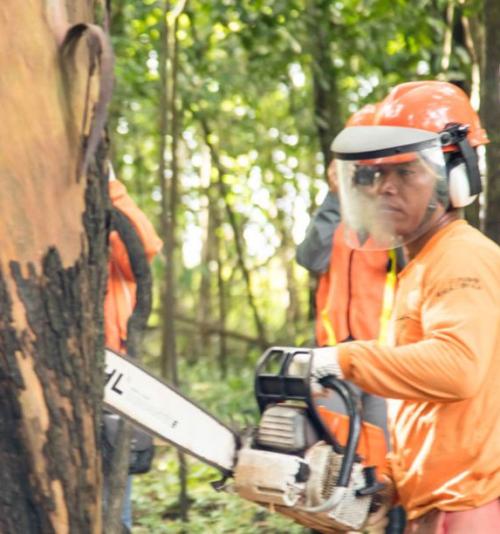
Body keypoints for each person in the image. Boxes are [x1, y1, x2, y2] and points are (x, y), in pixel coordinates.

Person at [309, 81, 500, 532]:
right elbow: (429, 406)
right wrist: (392, 480)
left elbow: (457, 369)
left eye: (406, 172)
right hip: (439, 503)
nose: (385, 189)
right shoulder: (422, 264)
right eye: (377, 176)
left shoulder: (461, 256)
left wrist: (342, 360)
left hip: (469, 505)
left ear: (454, 176)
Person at [297, 104, 406, 533]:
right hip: (332, 360)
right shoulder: (335, 214)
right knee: (329, 461)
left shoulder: (396, 210)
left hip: (383, 358)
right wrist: (335, 194)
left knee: (384, 467)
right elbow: (310, 256)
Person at [104, 163, 163, 531]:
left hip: (113, 371)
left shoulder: (108, 213)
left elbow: (144, 248)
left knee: (114, 509)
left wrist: (110, 185)